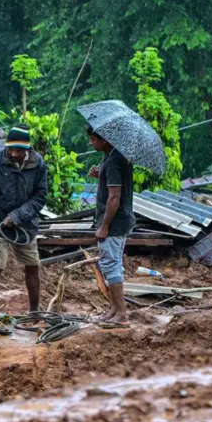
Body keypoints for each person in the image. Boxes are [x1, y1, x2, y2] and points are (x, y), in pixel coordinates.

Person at [0, 124, 49, 315]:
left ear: (27, 149)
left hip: (25, 226)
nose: (14, 153)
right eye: (11, 149)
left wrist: (17, 216)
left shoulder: (38, 163)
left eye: (19, 150)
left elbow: (40, 197)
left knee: (32, 266)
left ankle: (34, 311)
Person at [87, 125, 135, 327]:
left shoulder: (114, 161)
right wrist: (101, 174)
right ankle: (114, 310)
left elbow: (114, 197)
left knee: (110, 265)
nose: (91, 143)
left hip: (114, 223)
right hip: (121, 220)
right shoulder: (113, 158)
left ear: (105, 140)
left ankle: (121, 314)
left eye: (94, 139)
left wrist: (104, 226)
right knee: (113, 264)